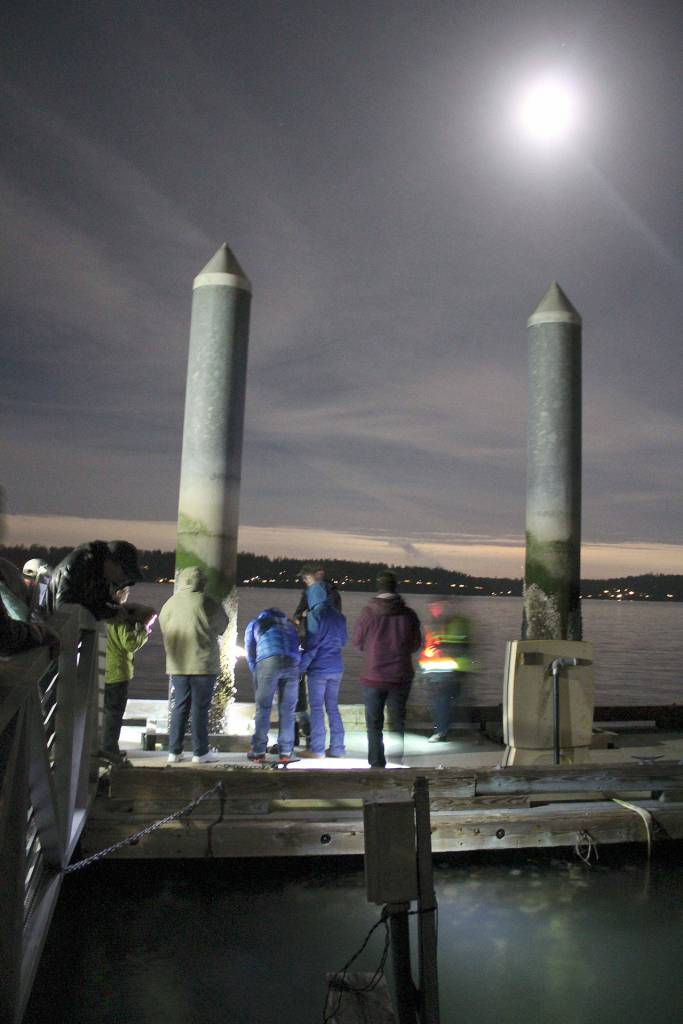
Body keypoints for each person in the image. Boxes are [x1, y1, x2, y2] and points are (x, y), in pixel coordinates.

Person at [159, 566, 228, 764]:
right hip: (203, 664)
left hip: (178, 664)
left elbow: (165, 627)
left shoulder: (170, 604)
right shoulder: (207, 602)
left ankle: (174, 751)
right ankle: (200, 752)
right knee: (200, 708)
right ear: (202, 582)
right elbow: (222, 626)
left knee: (179, 706)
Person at [353, 570, 421, 768]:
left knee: (374, 724)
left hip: (373, 676)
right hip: (401, 676)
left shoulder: (368, 613)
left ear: (378, 587)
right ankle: (397, 761)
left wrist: (373, 650)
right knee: (398, 722)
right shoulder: (409, 614)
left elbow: (357, 643)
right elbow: (416, 644)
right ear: (395, 587)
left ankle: (376, 763)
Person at [100, 586, 157, 766]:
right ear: (118, 593)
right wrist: (143, 631)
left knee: (103, 713)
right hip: (117, 671)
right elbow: (130, 643)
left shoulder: (100, 611)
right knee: (114, 714)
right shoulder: (121, 616)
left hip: (101, 668)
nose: (128, 594)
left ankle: (106, 747)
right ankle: (110, 750)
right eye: (126, 591)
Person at [292, 564, 342, 749]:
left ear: (317, 575)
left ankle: (315, 744)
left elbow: (301, 619)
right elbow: (340, 635)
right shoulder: (334, 602)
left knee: (313, 703)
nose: (305, 582)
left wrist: (305, 616)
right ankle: (336, 747)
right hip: (333, 658)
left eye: (306, 578)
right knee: (330, 705)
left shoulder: (316, 601)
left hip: (313, 653)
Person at [244, 607, 301, 765]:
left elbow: (250, 652)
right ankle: (286, 752)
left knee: (263, 708)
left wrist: (256, 672)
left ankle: (258, 751)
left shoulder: (256, 623)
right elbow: (297, 647)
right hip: (292, 663)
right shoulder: (289, 626)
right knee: (288, 710)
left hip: (268, 662)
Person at [299, 581, 347, 759]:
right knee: (333, 707)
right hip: (336, 667)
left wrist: (301, 668)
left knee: (317, 708)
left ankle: (317, 748)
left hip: (318, 668)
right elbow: (343, 641)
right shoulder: (339, 616)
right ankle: (338, 748)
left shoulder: (314, 615)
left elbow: (312, 646)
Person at [47, 540, 144, 622]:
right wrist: (113, 613)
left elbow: (98, 602)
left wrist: (124, 610)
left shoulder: (100, 572)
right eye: (125, 574)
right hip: (52, 626)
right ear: (112, 562)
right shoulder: (79, 565)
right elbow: (66, 606)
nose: (124, 581)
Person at [418, 597, 473, 741]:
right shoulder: (437, 624)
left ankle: (442, 730)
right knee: (446, 700)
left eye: (435, 606)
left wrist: (442, 646)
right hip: (440, 669)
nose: (432, 610)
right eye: (431, 607)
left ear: (444, 607)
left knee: (442, 699)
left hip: (452, 669)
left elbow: (462, 645)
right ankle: (447, 728)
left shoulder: (455, 623)